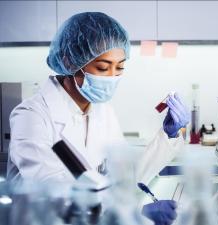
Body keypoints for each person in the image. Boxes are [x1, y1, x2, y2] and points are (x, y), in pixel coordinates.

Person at [7, 12, 190, 225]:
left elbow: (124, 177)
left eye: (120, 67)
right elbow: (52, 190)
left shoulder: (103, 111)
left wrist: (169, 135)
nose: (113, 77)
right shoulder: (31, 116)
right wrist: (136, 210)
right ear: (70, 61)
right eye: (103, 68)